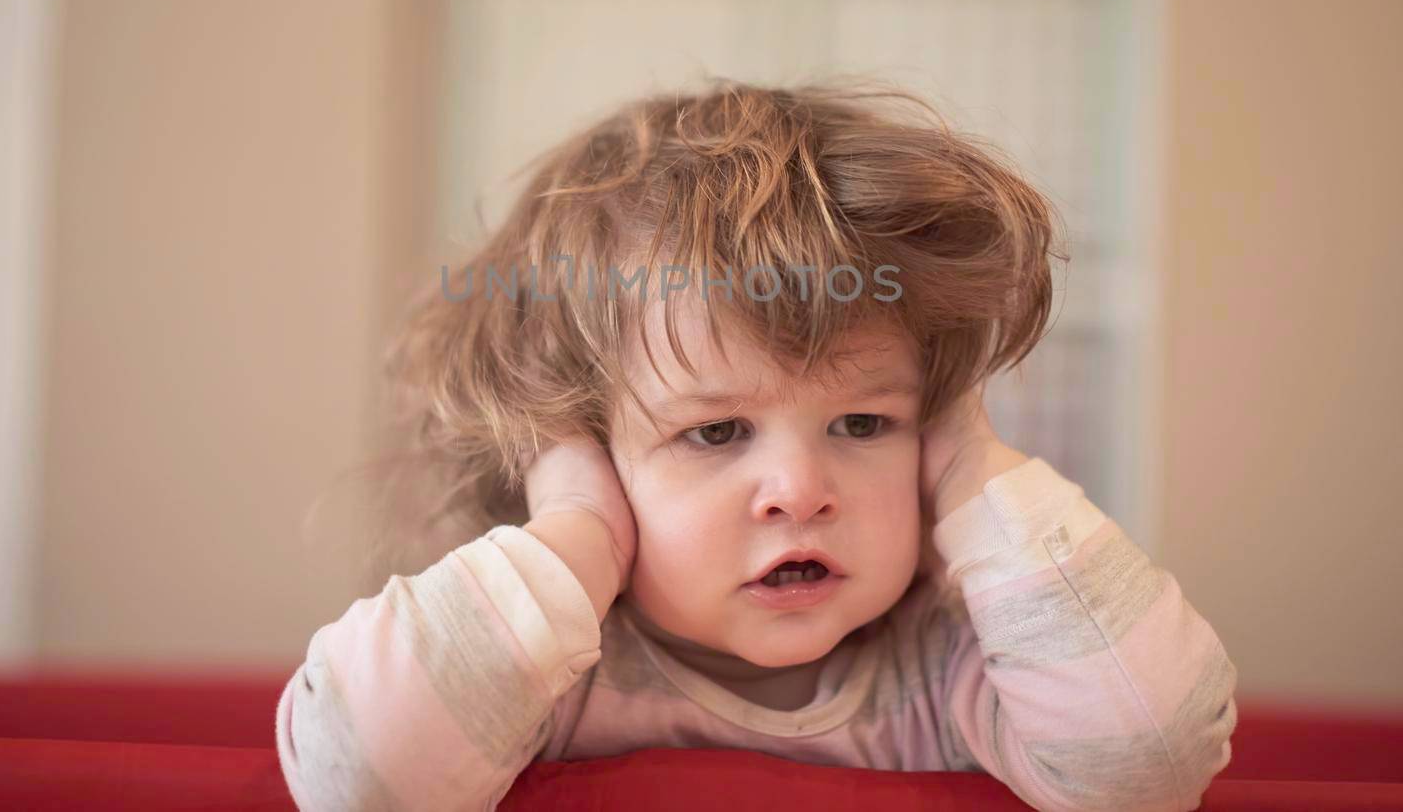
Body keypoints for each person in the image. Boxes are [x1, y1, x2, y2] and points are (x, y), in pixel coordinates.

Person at [274, 80, 1238, 811]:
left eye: (863, 423)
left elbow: (1148, 767)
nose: (799, 490)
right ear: (581, 446)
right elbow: (355, 776)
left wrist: (977, 476)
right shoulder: (547, 677)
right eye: (716, 431)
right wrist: (575, 529)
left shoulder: (948, 670)